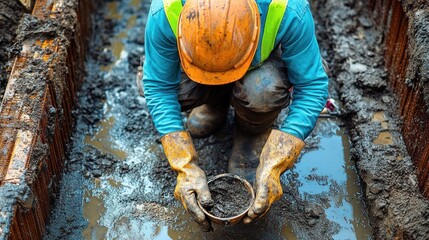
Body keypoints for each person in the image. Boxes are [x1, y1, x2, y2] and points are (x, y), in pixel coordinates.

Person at [143, 0, 328, 232]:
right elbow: (158, 86)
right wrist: (184, 165)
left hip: (258, 70)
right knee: (171, 86)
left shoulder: (288, 9)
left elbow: (312, 86)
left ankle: (253, 129)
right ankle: (214, 104)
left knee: (264, 90)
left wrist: (276, 161)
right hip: (198, 66)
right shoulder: (166, 10)